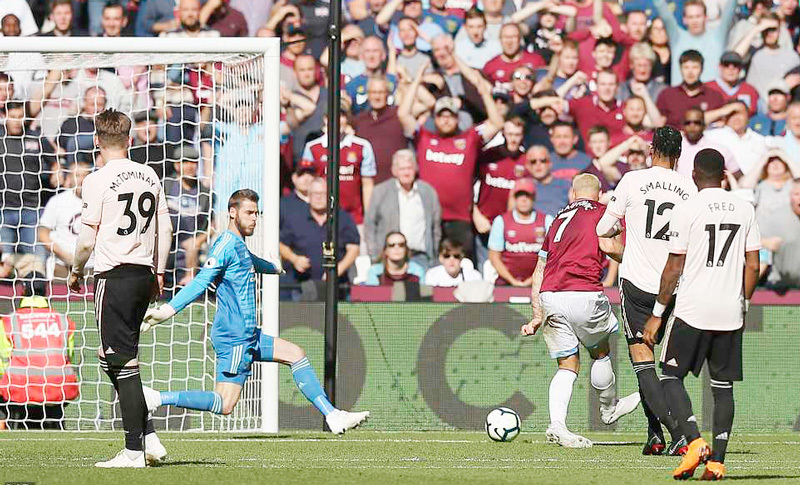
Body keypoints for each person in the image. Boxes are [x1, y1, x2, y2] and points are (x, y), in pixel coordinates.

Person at [141, 189, 370, 434]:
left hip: (248, 334)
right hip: (235, 336)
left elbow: (249, 261)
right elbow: (200, 281)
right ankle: (157, 398)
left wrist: (274, 267)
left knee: (296, 354)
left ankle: (332, 415)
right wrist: (168, 310)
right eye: (249, 212)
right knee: (225, 403)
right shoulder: (225, 246)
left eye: (256, 213)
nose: (254, 218)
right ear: (232, 212)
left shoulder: (238, 245)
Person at [642, 148, 761, 480]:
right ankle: (717, 461)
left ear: (694, 175)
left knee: (669, 377)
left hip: (692, 310)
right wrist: (744, 302)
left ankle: (695, 442)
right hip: (729, 310)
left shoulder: (687, 209)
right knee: (722, 388)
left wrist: (657, 313)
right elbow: (753, 265)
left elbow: (673, 267)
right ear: (724, 175)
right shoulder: (745, 207)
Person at [68, 109, 172, 468]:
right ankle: (150, 438)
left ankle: (132, 451)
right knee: (109, 355)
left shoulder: (97, 179)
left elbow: (86, 239)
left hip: (114, 276)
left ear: (97, 141)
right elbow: (165, 228)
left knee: (122, 360)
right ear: (130, 139)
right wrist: (159, 272)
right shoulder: (149, 174)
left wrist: (76, 270)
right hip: (145, 274)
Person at [596, 126, 696, 456]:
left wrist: (625, 244)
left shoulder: (632, 180)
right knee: (666, 367)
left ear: (650, 149)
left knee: (643, 362)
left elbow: (603, 229)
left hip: (637, 284)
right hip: (673, 288)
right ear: (679, 156)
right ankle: (655, 436)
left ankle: (678, 432)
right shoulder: (689, 188)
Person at [521, 174, 639, 448]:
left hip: (550, 295)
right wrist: (637, 255)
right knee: (600, 351)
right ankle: (609, 410)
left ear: (573, 194)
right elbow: (609, 247)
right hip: (583, 292)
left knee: (567, 364)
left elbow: (538, 271)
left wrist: (537, 314)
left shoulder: (557, 219)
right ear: (599, 195)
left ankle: (557, 424)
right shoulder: (602, 213)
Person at [0, 276, 78, 430]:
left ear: (22, 291)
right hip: (59, 388)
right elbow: (69, 355)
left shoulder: (9, 321)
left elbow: (3, 361)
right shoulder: (63, 320)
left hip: (19, 391)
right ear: (46, 292)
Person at [364, 149, 441, 269]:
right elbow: (369, 225)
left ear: (415, 169)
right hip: (388, 259)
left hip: (421, 258)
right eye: (402, 169)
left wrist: (433, 253)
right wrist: (374, 254)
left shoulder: (428, 192)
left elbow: (436, 227)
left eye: (409, 168)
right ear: (394, 171)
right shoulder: (380, 192)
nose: (406, 173)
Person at [279, 178, 360, 291]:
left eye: (323, 193)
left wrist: (337, 270)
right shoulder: (295, 218)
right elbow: (281, 244)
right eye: (315, 193)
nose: (318, 197)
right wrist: (295, 259)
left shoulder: (342, 218)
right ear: (309, 195)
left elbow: (354, 248)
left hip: (337, 287)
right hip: (301, 287)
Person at [488, 178, 553, 287]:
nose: (523, 200)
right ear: (514, 198)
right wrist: (512, 281)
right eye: (519, 195)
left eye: (527, 195)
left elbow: (552, 257)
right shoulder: (501, 221)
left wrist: (532, 280)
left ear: (534, 198)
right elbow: (494, 257)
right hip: (506, 282)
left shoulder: (547, 220)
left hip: (539, 282)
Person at [653, 0, 736, 85]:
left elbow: (730, 10)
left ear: (706, 17)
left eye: (698, 16)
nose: (694, 21)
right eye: (691, 17)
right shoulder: (677, 38)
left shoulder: (718, 37)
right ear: (684, 20)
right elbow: (665, 15)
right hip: (681, 95)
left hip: (711, 96)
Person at [164, 145, 212, 288]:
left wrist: (198, 240)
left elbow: (212, 224)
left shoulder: (204, 192)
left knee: (191, 244)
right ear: (177, 165)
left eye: (194, 162)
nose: (191, 166)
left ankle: (190, 280)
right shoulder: (167, 185)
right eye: (186, 162)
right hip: (168, 241)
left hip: (192, 248)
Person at [38, 160, 93, 279]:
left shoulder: (99, 201)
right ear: (69, 178)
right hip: (62, 267)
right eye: (77, 175)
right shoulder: (58, 201)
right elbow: (42, 234)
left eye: (85, 175)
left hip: (92, 267)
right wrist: (66, 256)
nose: (81, 179)